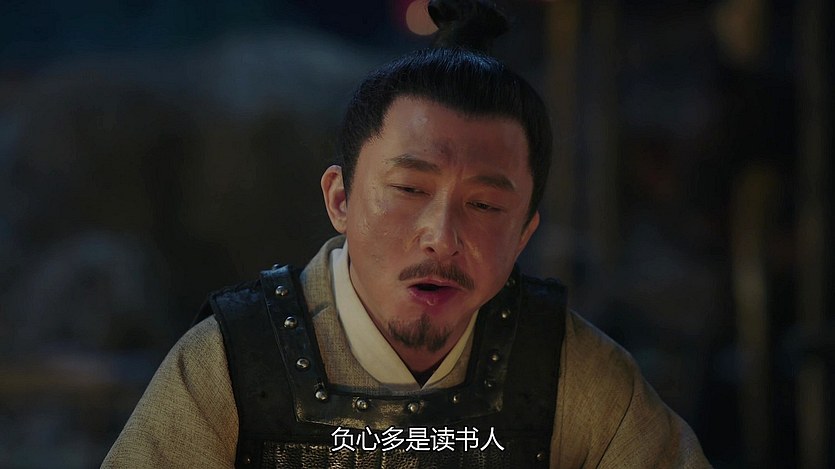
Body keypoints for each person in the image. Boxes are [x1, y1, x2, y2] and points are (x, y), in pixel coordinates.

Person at [103, 1, 710, 467]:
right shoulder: (231, 365)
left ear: (525, 233)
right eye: (409, 189)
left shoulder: (575, 374)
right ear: (340, 198)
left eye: (485, 204)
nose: (441, 238)